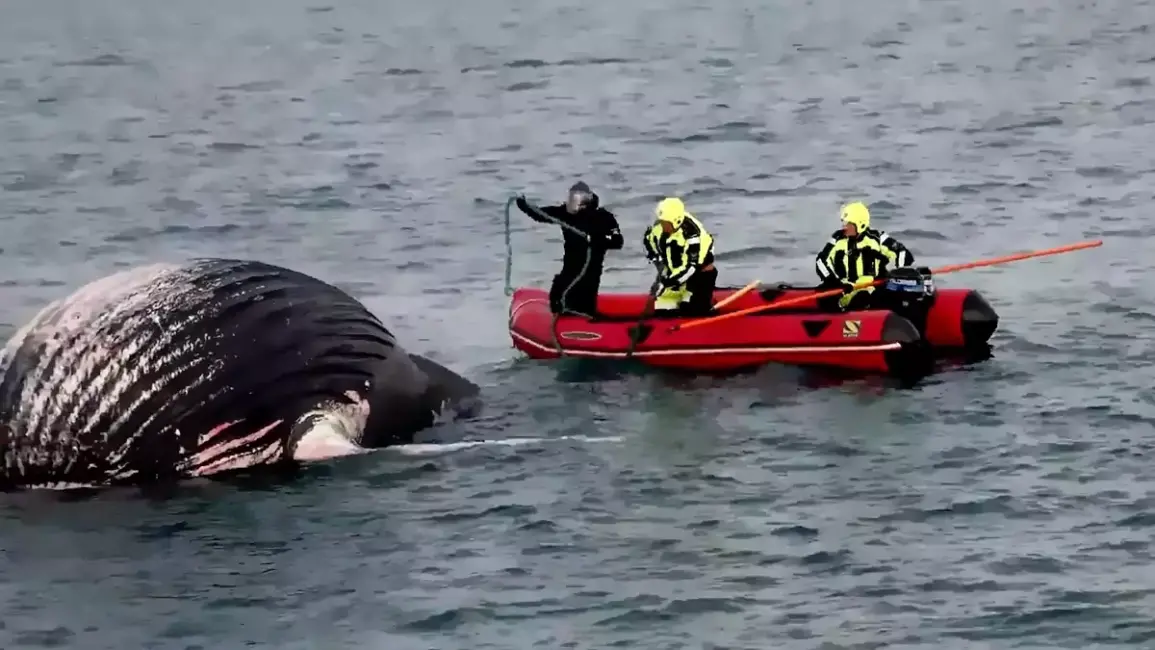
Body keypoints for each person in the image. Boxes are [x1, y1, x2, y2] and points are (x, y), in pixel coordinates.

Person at [515, 181, 623, 317]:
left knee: (584, 300)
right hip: (570, 267)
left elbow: (618, 242)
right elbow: (541, 214)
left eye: (575, 199)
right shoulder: (565, 214)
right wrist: (524, 205)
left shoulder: (603, 217)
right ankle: (559, 322)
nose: (571, 202)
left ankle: (589, 324)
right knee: (558, 294)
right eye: (570, 198)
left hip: (590, 269)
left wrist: (596, 240)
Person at [814, 201, 915, 310]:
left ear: (860, 224)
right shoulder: (837, 239)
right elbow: (821, 261)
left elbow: (902, 253)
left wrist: (894, 275)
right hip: (844, 290)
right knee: (823, 293)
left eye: (849, 224)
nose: (845, 227)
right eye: (844, 223)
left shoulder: (877, 238)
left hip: (870, 289)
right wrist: (832, 281)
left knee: (864, 297)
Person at [641, 196, 718, 317]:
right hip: (674, 273)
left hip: (697, 276)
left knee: (690, 310)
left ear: (676, 221)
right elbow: (650, 244)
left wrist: (668, 282)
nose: (663, 226)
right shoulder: (658, 229)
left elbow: (691, 268)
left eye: (666, 223)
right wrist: (659, 265)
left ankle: (706, 306)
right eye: (662, 222)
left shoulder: (693, 236)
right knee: (662, 311)